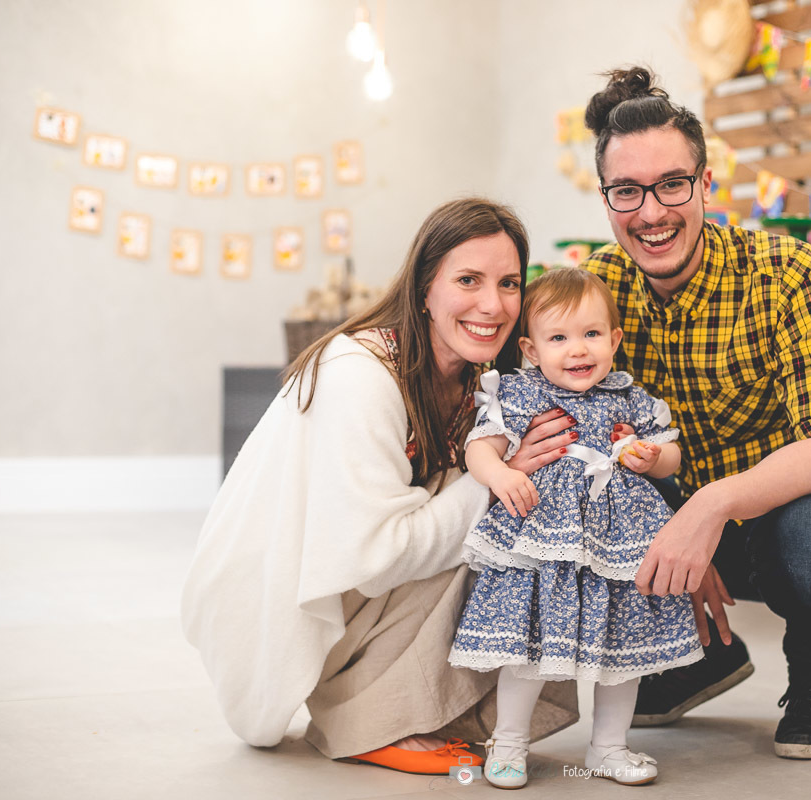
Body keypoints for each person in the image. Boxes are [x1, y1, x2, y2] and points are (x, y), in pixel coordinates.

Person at [180, 197, 583, 775]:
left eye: (509, 283)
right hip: (283, 602)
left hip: (358, 586)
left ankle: (432, 706)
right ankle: (369, 718)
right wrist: (495, 481)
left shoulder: (482, 376)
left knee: (528, 508)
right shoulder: (361, 375)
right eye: (468, 279)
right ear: (424, 289)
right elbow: (373, 555)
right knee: (500, 509)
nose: (493, 305)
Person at [579, 67, 811, 760]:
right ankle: (696, 654)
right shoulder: (597, 288)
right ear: (606, 199)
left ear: (705, 185)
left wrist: (708, 509)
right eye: (627, 191)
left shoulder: (787, 272)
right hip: (688, 529)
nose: (651, 211)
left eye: (672, 184)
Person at [448, 268, 699, 788]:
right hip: (544, 541)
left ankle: (608, 747)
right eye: (558, 338)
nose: (577, 350)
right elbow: (482, 445)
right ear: (532, 349)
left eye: (590, 334)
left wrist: (652, 457)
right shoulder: (522, 394)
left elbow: (672, 455)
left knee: (620, 654)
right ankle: (510, 742)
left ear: (614, 339)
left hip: (618, 543)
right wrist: (501, 474)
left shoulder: (629, 398)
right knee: (528, 649)